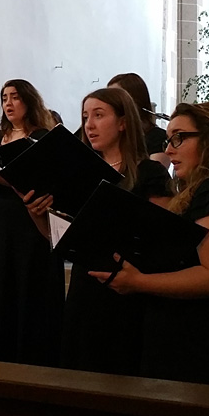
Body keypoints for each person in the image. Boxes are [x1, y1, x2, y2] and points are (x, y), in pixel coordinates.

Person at [93, 102, 209, 388]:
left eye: (179, 138)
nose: (169, 149)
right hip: (181, 337)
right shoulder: (196, 192)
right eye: (168, 139)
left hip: (207, 345)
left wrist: (138, 282)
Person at [58, 87, 171, 375]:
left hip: (127, 285)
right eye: (85, 117)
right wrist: (39, 213)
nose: (90, 125)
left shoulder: (148, 172)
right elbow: (59, 236)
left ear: (122, 122)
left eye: (99, 115)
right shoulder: (81, 173)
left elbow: (163, 233)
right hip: (85, 285)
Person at [0, 79, 62, 365]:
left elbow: (48, 176)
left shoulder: (42, 137)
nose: (8, 103)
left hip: (32, 217)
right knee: (1, 283)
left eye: (15, 97)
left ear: (28, 101)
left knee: (30, 285)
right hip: (2, 219)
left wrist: (3, 175)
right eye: (4, 97)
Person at [108, 72, 170, 165]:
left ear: (133, 101)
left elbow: (153, 173)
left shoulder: (156, 137)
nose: (109, 103)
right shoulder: (111, 136)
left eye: (115, 98)